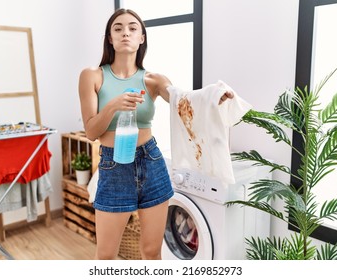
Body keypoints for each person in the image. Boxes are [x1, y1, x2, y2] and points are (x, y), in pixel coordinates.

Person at [78, 8, 234, 260]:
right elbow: (91, 131)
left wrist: (213, 96)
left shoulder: (153, 80)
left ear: (142, 37)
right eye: (118, 28)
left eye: (132, 28)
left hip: (151, 163)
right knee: (106, 256)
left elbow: (185, 100)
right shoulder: (92, 76)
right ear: (109, 38)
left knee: (152, 252)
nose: (125, 33)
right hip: (113, 165)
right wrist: (113, 105)